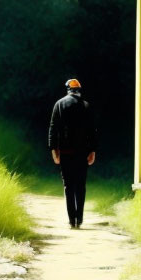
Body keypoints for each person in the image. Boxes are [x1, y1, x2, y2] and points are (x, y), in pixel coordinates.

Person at [48, 78, 96, 228]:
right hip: (82, 153)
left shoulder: (59, 104)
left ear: (68, 90)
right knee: (80, 186)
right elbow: (92, 131)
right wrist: (92, 150)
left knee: (68, 186)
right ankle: (80, 219)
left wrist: (53, 149)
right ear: (79, 90)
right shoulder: (86, 106)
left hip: (66, 153)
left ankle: (72, 220)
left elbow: (53, 129)